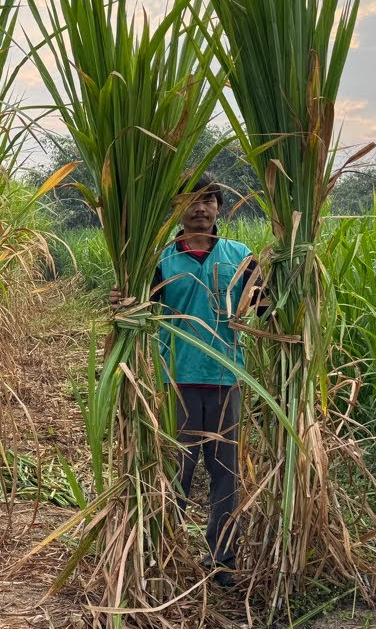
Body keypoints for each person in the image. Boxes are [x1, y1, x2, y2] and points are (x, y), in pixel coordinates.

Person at [108, 172, 263, 587]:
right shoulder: (159, 258)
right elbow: (140, 309)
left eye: (208, 199)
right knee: (176, 471)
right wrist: (122, 302)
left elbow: (265, 309)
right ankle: (166, 554)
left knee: (226, 474)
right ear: (178, 209)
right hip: (174, 378)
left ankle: (222, 559)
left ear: (218, 206)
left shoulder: (241, 255)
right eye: (191, 200)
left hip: (226, 378)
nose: (200, 207)